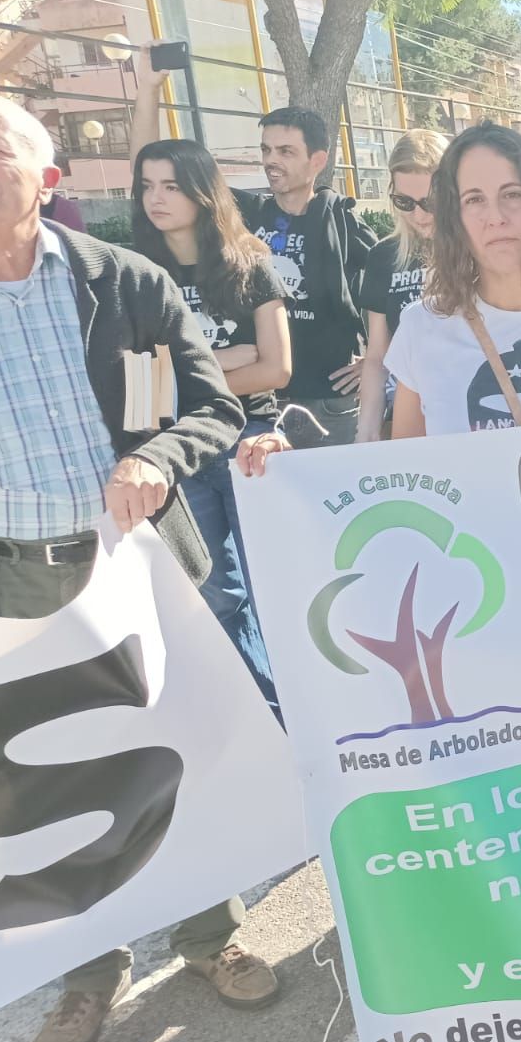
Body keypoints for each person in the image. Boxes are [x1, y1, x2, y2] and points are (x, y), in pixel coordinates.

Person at [0, 92, 277, 1042]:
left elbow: (216, 404)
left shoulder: (126, 282)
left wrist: (160, 457)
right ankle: (86, 974)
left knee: (170, 749)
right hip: (1, 592)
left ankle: (205, 935)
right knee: (35, 787)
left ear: (46, 179)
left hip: (137, 576)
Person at [238, 122, 521, 469]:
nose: (496, 217)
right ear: (456, 219)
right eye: (474, 200)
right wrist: (288, 469)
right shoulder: (422, 326)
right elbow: (408, 480)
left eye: (513, 195)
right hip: (475, 573)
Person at [131, 44, 375, 444]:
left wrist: (380, 361)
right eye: (266, 150)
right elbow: (155, 169)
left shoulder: (341, 219)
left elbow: (395, 291)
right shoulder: (242, 211)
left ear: (317, 161)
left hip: (325, 398)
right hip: (252, 399)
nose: (270, 160)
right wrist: (149, 90)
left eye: (285, 151)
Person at [130, 137, 290, 716]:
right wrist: (226, 360)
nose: (157, 198)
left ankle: (305, 713)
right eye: (147, 185)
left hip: (254, 444)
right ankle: (264, 715)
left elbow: (277, 367)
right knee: (216, 593)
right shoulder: (135, 277)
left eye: (171, 185)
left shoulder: (249, 263)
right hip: (179, 454)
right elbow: (140, 392)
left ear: (202, 190)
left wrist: (183, 372)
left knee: (278, 589)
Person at [357, 129, 446, 443]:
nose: (418, 215)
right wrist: (366, 431)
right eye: (404, 202)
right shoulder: (384, 256)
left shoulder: (479, 252)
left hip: (465, 408)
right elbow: (377, 356)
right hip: (406, 413)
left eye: (429, 202)